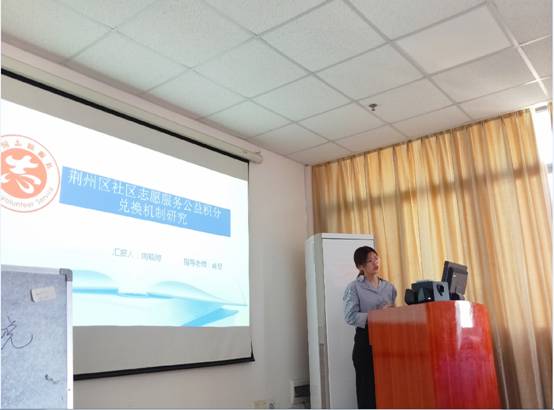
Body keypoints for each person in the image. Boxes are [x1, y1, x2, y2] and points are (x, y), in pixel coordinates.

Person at [343, 246, 397, 409]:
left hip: (387, 342)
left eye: (376, 258)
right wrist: (376, 315)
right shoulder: (354, 287)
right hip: (365, 343)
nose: (375, 262)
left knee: (388, 389)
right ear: (360, 266)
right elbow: (350, 316)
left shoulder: (389, 287)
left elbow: (393, 313)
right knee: (367, 392)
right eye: (369, 260)